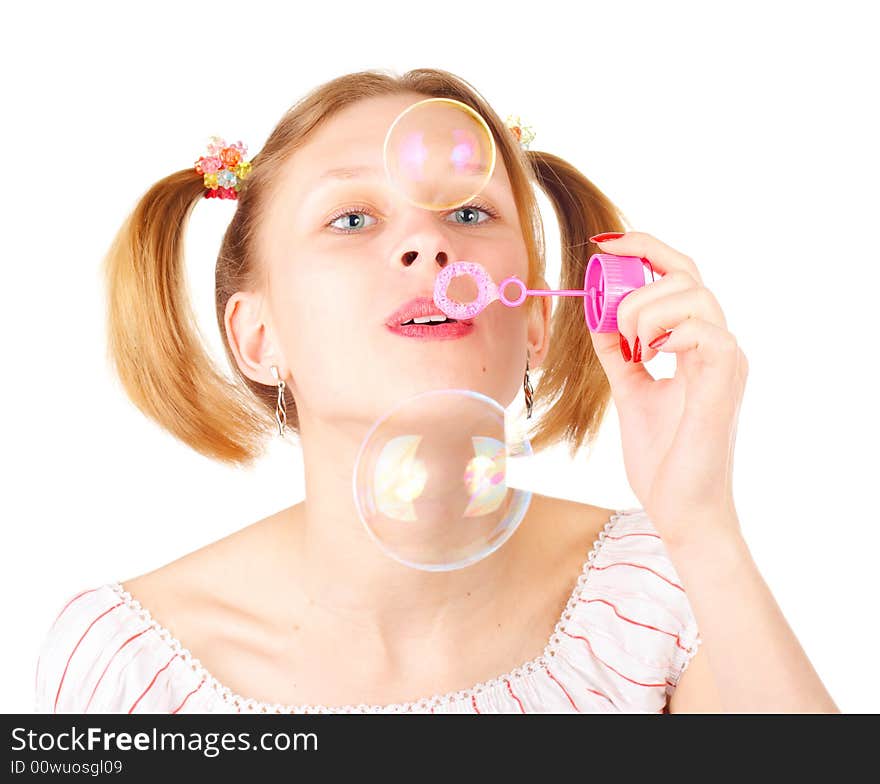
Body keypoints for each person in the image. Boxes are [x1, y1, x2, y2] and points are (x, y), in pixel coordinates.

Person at [33, 68, 838, 714]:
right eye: (352, 219)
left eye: (466, 211)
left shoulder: (663, 591)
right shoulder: (128, 666)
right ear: (257, 338)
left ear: (534, 325)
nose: (427, 242)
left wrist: (702, 526)